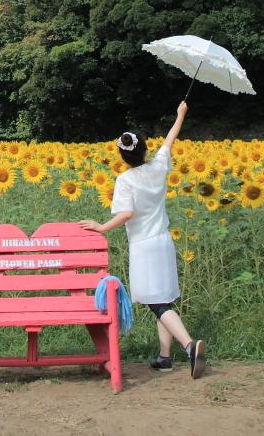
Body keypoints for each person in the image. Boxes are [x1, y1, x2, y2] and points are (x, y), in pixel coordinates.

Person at [79, 100, 207, 378]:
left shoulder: (125, 181)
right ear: (145, 149)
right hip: (163, 241)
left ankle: (189, 345)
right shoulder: (158, 167)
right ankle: (164, 358)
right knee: (164, 300)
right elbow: (170, 139)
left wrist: (101, 227)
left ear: (123, 157)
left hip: (144, 247)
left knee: (157, 304)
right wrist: (181, 113)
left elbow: (126, 213)